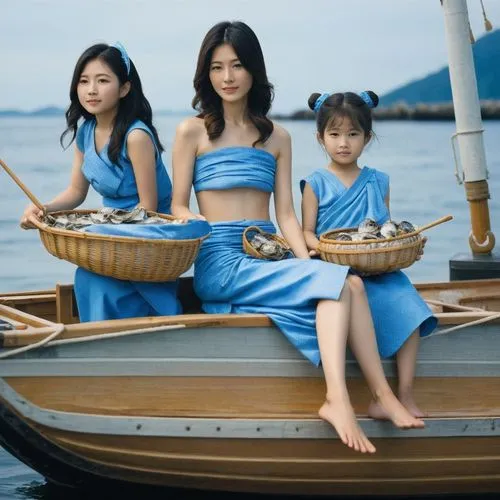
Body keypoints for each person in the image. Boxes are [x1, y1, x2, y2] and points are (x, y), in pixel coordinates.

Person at [171, 21, 424, 454]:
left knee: (352, 284)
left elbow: (286, 213)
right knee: (341, 285)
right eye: (217, 67)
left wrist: (306, 257)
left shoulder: (277, 136)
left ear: (253, 70)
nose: (227, 77)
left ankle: (383, 397)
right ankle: (338, 400)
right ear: (206, 74)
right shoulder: (191, 132)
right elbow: (178, 205)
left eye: (236, 66)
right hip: (220, 257)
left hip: (270, 250)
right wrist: (194, 225)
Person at [300, 90, 438, 418]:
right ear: (321, 138)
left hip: (378, 269)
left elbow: (384, 226)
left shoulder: (378, 181)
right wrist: (323, 247)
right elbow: (306, 231)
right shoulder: (315, 182)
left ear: (367, 137)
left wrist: (405, 243)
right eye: (334, 134)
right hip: (339, 271)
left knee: (410, 303)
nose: (343, 143)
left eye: (353, 134)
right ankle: (381, 394)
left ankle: (404, 392)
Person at [20, 42, 181, 321]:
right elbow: (76, 191)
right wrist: (42, 208)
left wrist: (102, 230)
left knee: (97, 281)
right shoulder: (86, 131)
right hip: (112, 234)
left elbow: (148, 208)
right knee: (86, 277)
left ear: (124, 88)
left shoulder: (136, 136)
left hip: (147, 242)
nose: (91, 89)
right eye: (84, 81)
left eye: (102, 80)